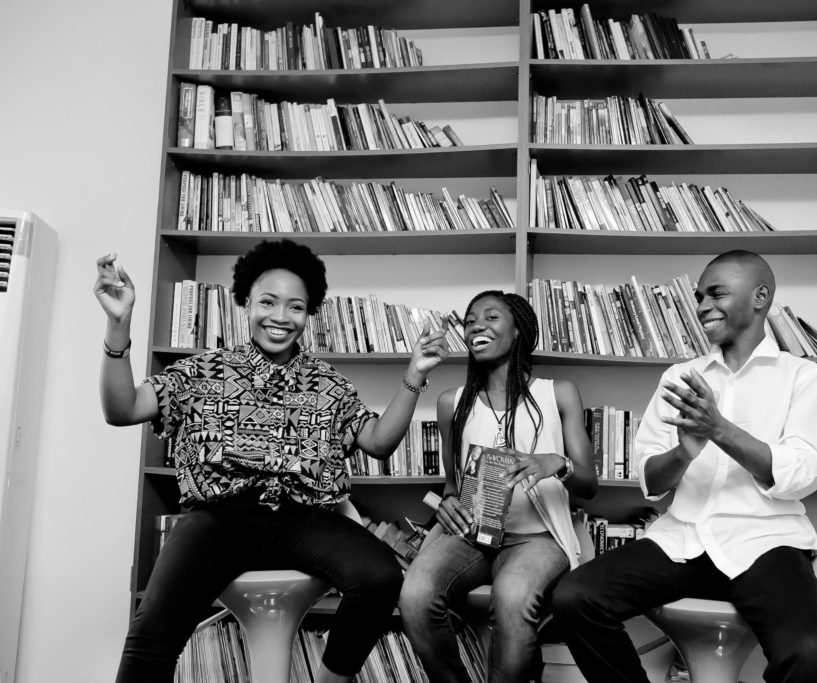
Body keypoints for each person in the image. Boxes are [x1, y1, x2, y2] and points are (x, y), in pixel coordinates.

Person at [95, 239, 450, 683]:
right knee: (151, 635)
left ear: (308, 314)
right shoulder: (200, 371)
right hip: (218, 519)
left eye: (295, 307)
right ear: (246, 303)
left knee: (381, 577)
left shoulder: (327, 383)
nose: (281, 316)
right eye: (268, 302)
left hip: (304, 518)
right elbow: (122, 410)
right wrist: (118, 324)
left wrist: (415, 374)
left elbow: (378, 443)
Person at [551, 250, 817, 683]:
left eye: (716, 293)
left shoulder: (804, 377)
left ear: (760, 297)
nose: (703, 305)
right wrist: (684, 453)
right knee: (575, 597)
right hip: (683, 539)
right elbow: (650, 480)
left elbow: (803, 474)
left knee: (809, 656)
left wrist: (720, 430)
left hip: (768, 542)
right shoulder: (679, 377)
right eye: (699, 296)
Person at [399, 290, 597, 683]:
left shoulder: (557, 393)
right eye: (471, 320)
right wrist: (447, 504)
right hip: (471, 537)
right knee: (415, 595)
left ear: (518, 330)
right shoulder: (451, 403)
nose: (477, 326)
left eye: (491, 317)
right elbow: (452, 485)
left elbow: (588, 486)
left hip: (538, 538)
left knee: (513, 597)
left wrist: (555, 463)